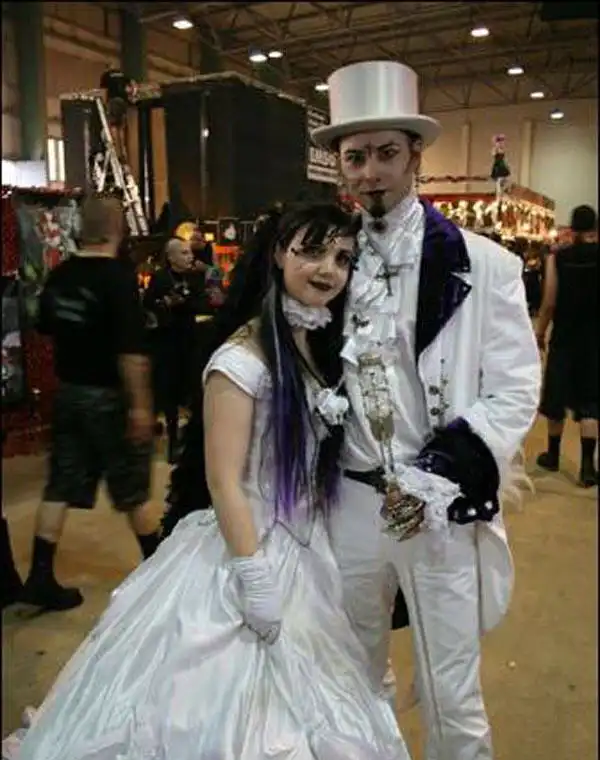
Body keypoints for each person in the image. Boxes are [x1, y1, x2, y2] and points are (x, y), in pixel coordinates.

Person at [5, 204, 409, 760]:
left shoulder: (310, 343)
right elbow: (223, 481)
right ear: (278, 253)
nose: (328, 269)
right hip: (246, 547)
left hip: (308, 547)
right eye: (312, 251)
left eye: (342, 258)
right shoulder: (241, 359)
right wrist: (254, 577)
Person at [311, 61, 541, 760]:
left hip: (438, 509)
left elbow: (515, 387)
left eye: (386, 153)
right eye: (356, 157)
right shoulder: (322, 264)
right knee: (350, 676)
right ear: (340, 165)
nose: (371, 173)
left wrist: (438, 474)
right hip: (347, 508)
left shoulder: (486, 265)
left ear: (416, 154)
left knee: (451, 690)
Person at [20, 194, 159, 612]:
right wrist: (140, 406)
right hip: (110, 398)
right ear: (118, 228)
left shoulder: (61, 275)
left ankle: (40, 576)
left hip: (69, 393)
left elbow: (45, 325)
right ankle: (161, 574)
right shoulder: (117, 279)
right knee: (132, 489)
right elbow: (131, 352)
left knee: (60, 484)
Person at [535, 204, 598, 487]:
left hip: (564, 337)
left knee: (556, 397)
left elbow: (549, 301)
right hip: (594, 340)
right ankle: (587, 467)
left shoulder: (558, 258)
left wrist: (539, 332)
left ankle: (552, 455)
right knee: (590, 402)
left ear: (571, 228)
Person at [143, 238, 206, 463]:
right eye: (184, 253)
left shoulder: (195, 277)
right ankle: (172, 440)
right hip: (167, 343)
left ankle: (191, 441)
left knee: (193, 390)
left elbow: (202, 302)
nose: (190, 257)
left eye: (190, 252)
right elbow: (148, 307)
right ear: (171, 257)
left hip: (189, 341)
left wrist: (186, 301)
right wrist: (166, 304)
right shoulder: (160, 279)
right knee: (168, 393)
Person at [99, 66, 135, 164]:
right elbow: (132, 86)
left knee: (113, 126)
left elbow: (103, 91)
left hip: (113, 101)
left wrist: (104, 105)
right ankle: (123, 151)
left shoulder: (106, 75)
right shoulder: (123, 75)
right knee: (121, 127)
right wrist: (131, 97)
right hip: (123, 102)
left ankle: (116, 152)